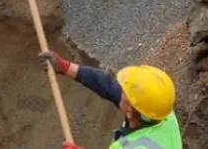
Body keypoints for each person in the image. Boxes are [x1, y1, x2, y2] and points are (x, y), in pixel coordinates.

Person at [39, 51, 182, 149]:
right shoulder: (162, 113)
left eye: (124, 93)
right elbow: (108, 85)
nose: (120, 91)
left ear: (129, 112)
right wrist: (65, 67)